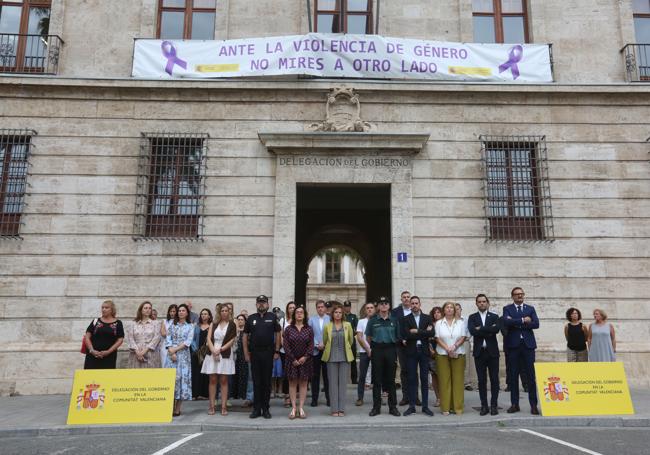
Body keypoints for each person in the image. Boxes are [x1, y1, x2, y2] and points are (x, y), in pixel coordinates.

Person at [502, 287, 540, 415]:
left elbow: (536, 324)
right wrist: (523, 320)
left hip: (528, 346)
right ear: (512, 296)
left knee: (531, 376)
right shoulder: (507, 309)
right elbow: (506, 322)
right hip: (513, 346)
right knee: (513, 376)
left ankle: (534, 405)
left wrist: (515, 322)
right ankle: (514, 404)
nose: (520, 296)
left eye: (521, 294)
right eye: (517, 294)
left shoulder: (530, 308)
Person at [243, 295, 281, 419]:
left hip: (268, 353)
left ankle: (265, 408)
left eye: (263, 302)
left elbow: (278, 334)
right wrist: (246, 352)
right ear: (256, 304)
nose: (261, 304)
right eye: (259, 302)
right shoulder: (251, 318)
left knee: (266, 382)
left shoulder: (272, 317)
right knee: (256, 381)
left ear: (267, 304)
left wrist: (277, 351)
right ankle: (256, 409)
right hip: (254, 354)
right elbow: (245, 336)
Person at [366, 296, 400, 417]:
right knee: (377, 380)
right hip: (377, 349)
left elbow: (397, 336)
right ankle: (376, 407)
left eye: (386, 303)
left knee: (391, 380)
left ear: (389, 306)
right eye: (381, 303)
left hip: (391, 349)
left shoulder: (394, 320)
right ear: (378, 306)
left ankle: (393, 407)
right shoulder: (373, 321)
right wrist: (375, 346)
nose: (384, 305)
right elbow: (368, 337)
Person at [401, 295, 435, 416]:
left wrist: (417, 331)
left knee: (424, 379)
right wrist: (424, 332)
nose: (414, 305)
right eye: (413, 303)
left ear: (420, 305)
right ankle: (411, 406)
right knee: (411, 379)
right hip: (411, 352)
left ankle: (425, 406)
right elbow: (406, 334)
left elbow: (432, 332)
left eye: (416, 303)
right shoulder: (406, 319)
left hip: (424, 352)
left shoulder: (427, 318)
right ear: (410, 305)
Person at [468, 294, 500, 416]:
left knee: (494, 380)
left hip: (492, 353)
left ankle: (494, 405)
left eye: (484, 301)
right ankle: (484, 406)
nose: (482, 303)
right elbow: (472, 331)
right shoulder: (472, 317)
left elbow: (496, 330)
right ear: (476, 303)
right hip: (479, 352)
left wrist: (480, 329)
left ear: (487, 303)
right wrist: (488, 329)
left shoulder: (494, 316)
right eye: (479, 302)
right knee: (481, 380)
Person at [202, 303, 237, 415]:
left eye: (226, 311)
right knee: (212, 379)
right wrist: (213, 350)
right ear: (219, 312)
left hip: (225, 352)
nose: (224, 312)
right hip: (212, 352)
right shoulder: (214, 323)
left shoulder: (232, 324)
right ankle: (211, 406)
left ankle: (223, 407)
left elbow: (232, 340)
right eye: (222, 311)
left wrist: (220, 350)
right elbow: (209, 338)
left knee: (223, 380)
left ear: (229, 312)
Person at [435, 301, 468, 416]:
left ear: (454, 310)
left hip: (458, 353)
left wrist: (454, 347)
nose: (449, 309)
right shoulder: (439, 323)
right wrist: (447, 349)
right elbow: (437, 338)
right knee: (444, 381)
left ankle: (457, 407)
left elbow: (463, 337)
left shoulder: (460, 323)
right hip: (442, 354)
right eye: (447, 307)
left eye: (451, 308)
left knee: (458, 381)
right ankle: (446, 407)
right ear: (444, 310)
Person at [322, 302, 355, 417]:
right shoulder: (327, 326)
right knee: (332, 384)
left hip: (344, 357)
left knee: (342, 384)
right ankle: (334, 409)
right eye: (336, 312)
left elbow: (350, 341)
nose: (338, 314)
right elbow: (325, 340)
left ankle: (341, 409)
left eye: (340, 312)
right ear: (332, 314)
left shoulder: (348, 325)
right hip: (331, 357)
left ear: (342, 314)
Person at [283, 305, 314, 419]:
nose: (299, 314)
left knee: (303, 384)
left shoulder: (309, 329)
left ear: (304, 315)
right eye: (297, 312)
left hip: (305, 361)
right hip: (292, 361)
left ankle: (301, 407)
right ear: (294, 315)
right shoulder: (288, 329)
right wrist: (293, 359)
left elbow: (311, 345)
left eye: (301, 312)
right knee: (292, 383)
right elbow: (286, 346)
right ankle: (293, 407)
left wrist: (305, 357)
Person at [165, 303, 194, 416]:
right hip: (171, 355)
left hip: (183, 356)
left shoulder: (190, 326)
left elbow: (188, 342)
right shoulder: (172, 324)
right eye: (179, 310)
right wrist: (171, 351)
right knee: (172, 380)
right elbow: (168, 338)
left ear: (187, 313)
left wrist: (175, 350)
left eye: (183, 310)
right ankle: (170, 406)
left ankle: (178, 408)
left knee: (181, 380)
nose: (181, 312)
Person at [84, 300, 124, 369]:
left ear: (112, 310)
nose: (104, 309)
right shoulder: (95, 321)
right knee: (90, 377)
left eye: (106, 307)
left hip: (109, 356)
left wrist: (108, 351)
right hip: (92, 356)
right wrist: (92, 350)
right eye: (102, 307)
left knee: (106, 378)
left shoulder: (118, 323)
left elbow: (120, 339)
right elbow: (87, 337)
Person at [391, 290, 414, 406]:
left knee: (414, 371)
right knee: (404, 371)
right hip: (400, 345)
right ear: (401, 299)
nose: (406, 299)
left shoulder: (415, 310)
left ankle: (415, 397)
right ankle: (405, 397)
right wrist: (401, 339)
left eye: (408, 297)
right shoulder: (395, 312)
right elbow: (395, 327)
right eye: (404, 297)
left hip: (413, 345)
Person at [308, 299, 330, 407]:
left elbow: (331, 333)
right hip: (315, 351)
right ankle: (314, 399)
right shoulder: (311, 319)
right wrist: (317, 344)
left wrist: (324, 344)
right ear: (316, 308)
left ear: (325, 308)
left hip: (327, 351)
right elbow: (309, 334)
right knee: (314, 376)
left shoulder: (330, 319)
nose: (320, 308)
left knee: (327, 376)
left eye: (322, 307)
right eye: (318, 307)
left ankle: (329, 398)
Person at [127, 301, 162, 368]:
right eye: (145, 308)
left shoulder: (156, 323)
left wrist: (144, 351)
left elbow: (156, 338)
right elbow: (130, 338)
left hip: (150, 353)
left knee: (150, 375)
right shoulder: (133, 323)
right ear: (141, 310)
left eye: (149, 308)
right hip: (136, 354)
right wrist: (138, 352)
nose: (148, 310)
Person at [355, 301, 376, 406]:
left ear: (374, 309)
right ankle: (360, 398)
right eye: (367, 308)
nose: (369, 309)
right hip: (364, 352)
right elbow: (359, 337)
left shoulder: (378, 321)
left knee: (378, 375)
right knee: (362, 376)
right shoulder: (361, 321)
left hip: (377, 352)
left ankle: (378, 398)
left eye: (371, 307)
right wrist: (368, 350)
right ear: (365, 310)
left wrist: (373, 350)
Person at [191, 308, 212, 400]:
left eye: (205, 314)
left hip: (207, 353)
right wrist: (196, 350)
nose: (203, 315)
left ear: (209, 316)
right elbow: (192, 339)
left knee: (206, 373)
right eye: (202, 314)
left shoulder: (212, 326)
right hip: (197, 353)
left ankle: (205, 394)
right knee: (196, 373)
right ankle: (195, 394)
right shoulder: (196, 326)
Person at [278, 301, 296, 407]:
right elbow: (281, 335)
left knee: (295, 375)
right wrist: (284, 346)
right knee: (286, 374)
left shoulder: (299, 320)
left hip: (296, 352)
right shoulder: (283, 321)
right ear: (287, 309)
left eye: (294, 307)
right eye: (290, 308)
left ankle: (293, 395)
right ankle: (287, 396)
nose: (292, 309)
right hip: (284, 352)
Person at [232, 313, 249, 401]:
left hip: (244, 356)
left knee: (244, 374)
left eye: (242, 319)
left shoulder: (247, 332)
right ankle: (235, 394)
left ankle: (243, 394)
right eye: (238, 319)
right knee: (235, 374)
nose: (240, 321)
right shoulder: (234, 332)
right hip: (235, 356)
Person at [428, 306, 443, 407]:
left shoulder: (445, 324)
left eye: (438, 312)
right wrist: (430, 350)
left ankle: (445, 397)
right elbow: (426, 338)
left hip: (443, 352)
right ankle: (438, 398)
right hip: (432, 353)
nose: (437, 314)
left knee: (443, 376)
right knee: (434, 376)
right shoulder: (429, 326)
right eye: (435, 312)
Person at [343, 300, 359, 384]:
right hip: (342, 340)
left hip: (351, 340)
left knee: (353, 361)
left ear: (350, 307)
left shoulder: (354, 316)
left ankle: (354, 379)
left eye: (348, 306)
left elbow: (357, 329)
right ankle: (343, 379)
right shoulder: (342, 316)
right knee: (342, 360)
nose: (347, 308)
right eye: (346, 306)